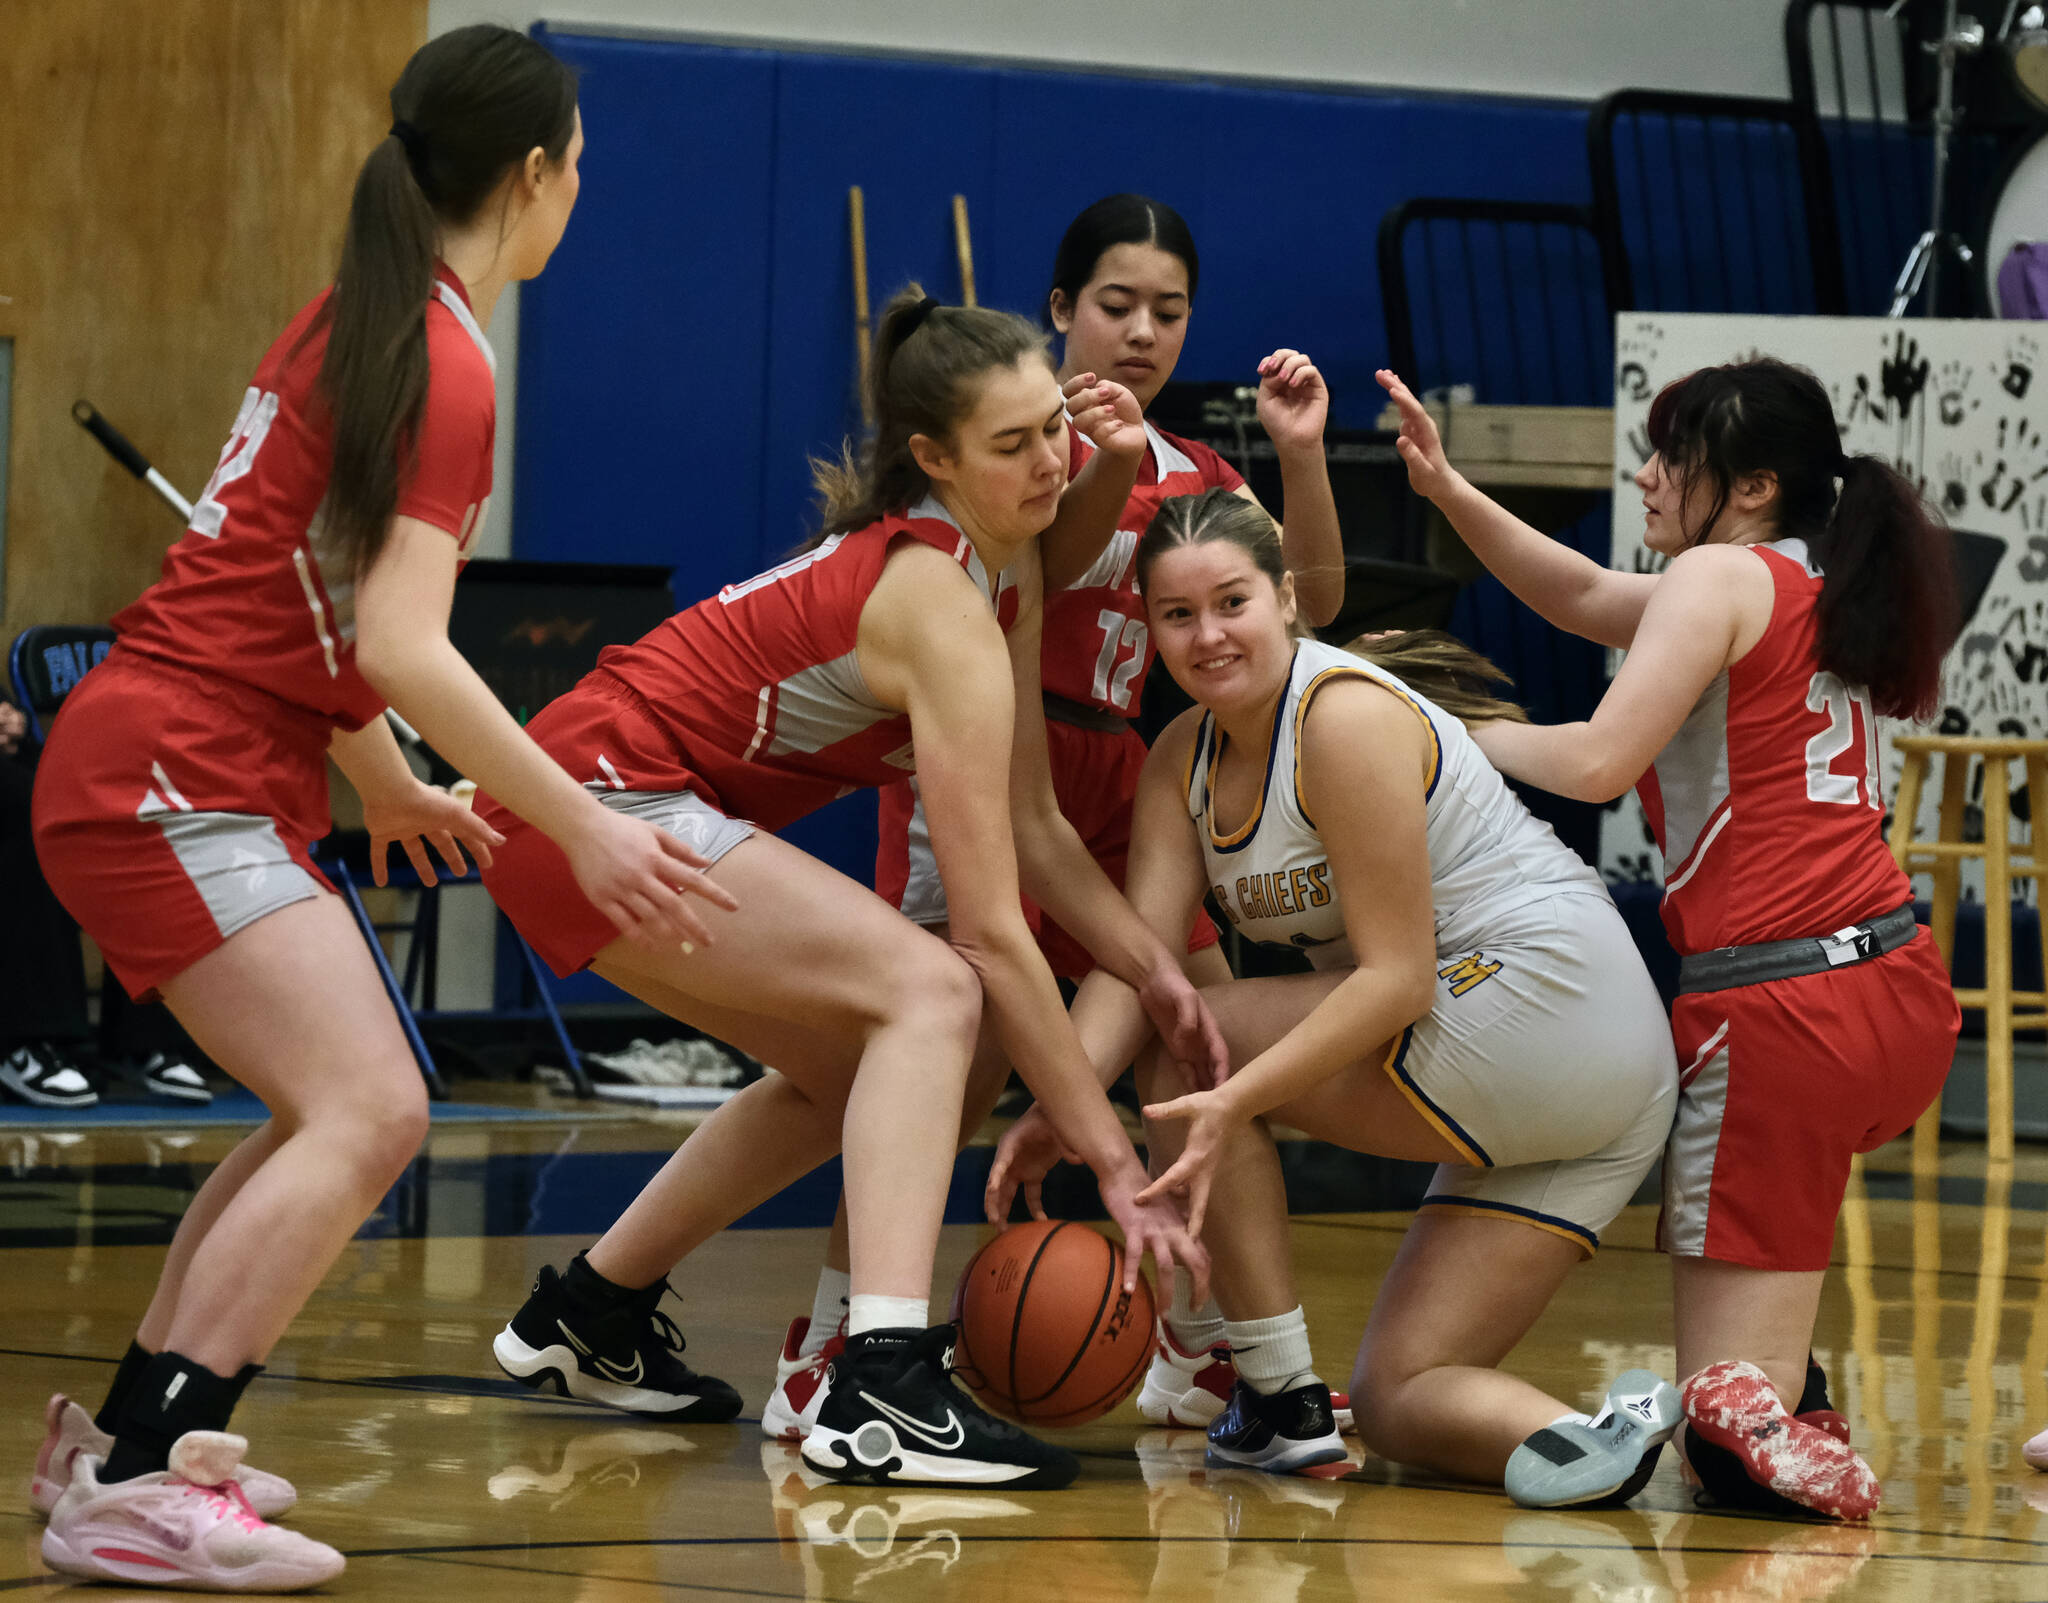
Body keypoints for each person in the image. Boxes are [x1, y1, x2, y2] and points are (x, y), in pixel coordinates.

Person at [26, 27, 736, 1591]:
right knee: (374, 1105)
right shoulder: (446, 359)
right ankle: (148, 1477)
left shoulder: (367, 316)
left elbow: (309, 596)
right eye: (581, 172)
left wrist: (382, 769)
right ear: (538, 173)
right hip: (173, 771)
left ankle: (132, 1444)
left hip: (169, 752)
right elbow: (406, 638)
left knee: (321, 1107)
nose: (579, 198)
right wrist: (587, 821)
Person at [478, 286, 1218, 1491]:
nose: (1050, 463)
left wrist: (1148, 964)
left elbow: (1035, 825)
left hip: (600, 799)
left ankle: (589, 1313)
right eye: (1012, 444)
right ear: (931, 457)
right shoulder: (938, 603)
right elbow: (990, 933)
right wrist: (1114, 1161)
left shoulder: (1001, 573)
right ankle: (875, 1382)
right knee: (934, 994)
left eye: (1054, 430)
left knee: (845, 1071)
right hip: (593, 803)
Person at [766, 192, 1348, 1443]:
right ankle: (825, 1345)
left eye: (1168, 310)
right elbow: (1065, 562)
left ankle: (1224, 1357)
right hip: (989, 770)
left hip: (1120, 785)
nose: (1141, 330)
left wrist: (1299, 456)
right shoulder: (1022, 456)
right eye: (1115, 304)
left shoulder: (1198, 468)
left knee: (1197, 1050)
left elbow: (1317, 600)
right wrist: (1116, 461)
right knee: (941, 1062)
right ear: (1058, 309)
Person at [989, 487, 1682, 1501]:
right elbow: (1144, 964)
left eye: (1231, 602)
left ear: (1284, 598)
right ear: (1149, 630)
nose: (1207, 634)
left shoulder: (1343, 716)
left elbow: (1394, 982)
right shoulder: (1179, 757)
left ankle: (1275, 1400)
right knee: (1402, 1395)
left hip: (1547, 994)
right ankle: (1598, 1436)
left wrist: (1232, 1096)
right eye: (1176, 615)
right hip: (1587, 1081)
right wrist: (1066, 1108)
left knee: (1194, 1051)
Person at [1378, 358, 1962, 1520]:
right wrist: (1448, 491)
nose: (1643, 475)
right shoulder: (1802, 579)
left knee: (1716, 1416)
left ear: (1747, 486)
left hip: (1781, 1006)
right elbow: (1587, 594)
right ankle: (1784, 1403)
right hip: (1890, 984)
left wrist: (1439, 732)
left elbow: (1596, 763)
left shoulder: (1712, 576)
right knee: (1728, 1448)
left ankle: (1768, 1417)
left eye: (1669, 456)